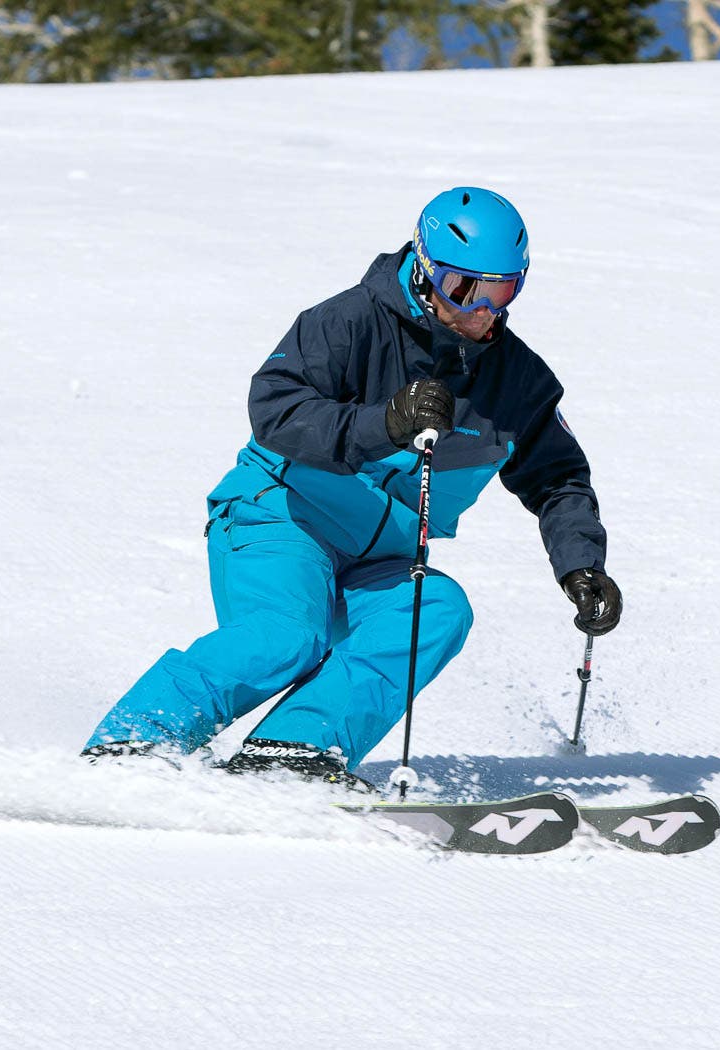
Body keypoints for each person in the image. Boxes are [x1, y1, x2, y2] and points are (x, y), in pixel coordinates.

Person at [82, 186, 622, 788]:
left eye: (503, 290)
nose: (484, 310)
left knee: (436, 608)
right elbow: (276, 409)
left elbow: (559, 479)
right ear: (424, 270)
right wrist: (384, 422)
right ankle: (138, 736)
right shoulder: (347, 324)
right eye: (466, 289)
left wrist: (581, 565)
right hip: (282, 518)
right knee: (288, 636)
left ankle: (293, 750)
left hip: (381, 558)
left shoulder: (518, 382)